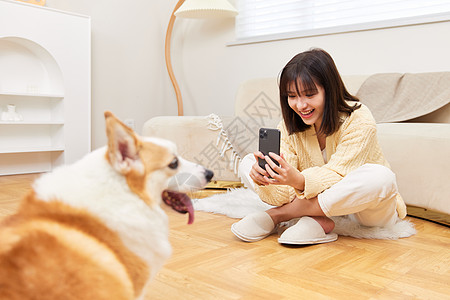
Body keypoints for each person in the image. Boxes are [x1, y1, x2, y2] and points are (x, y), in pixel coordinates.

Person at [231, 48, 407, 245]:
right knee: (248, 162)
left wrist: (297, 182)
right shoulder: (289, 127)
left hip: (365, 212)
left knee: (381, 177)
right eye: (292, 96)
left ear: (329, 90)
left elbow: (338, 174)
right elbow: (285, 194)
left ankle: (278, 216)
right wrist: (267, 180)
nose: (300, 105)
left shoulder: (359, 118)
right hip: (318, 199)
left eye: (309, 94)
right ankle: (320, 220)